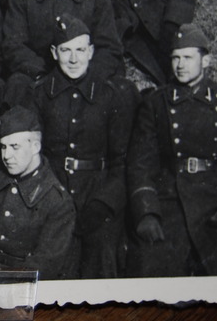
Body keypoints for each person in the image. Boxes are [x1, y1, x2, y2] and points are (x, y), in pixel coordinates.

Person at [127, 23, 217, 277]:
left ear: (205, 60)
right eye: (175, 58)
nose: (180, 65)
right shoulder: (156, 103)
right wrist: (147, 212)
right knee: (149, 264)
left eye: (188, 57)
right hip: (170, 201)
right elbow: (140, 164)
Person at [31, 14, 139, 278]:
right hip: (54, 190)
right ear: (54, 53)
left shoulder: (111, 95)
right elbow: (33, 155)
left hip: (98, 192)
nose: (73, 59)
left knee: (102, 258)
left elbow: (122, 160)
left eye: (80, 50)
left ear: (90, 52)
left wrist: (104, 203)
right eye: (66, 51)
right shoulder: (39, 94)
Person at [0, 106, 76, 279]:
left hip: (24, 285)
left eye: (14, 147)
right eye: (3, 147)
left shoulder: (57, 200)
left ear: (35, 147)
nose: (6, 155)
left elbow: (45, 265)